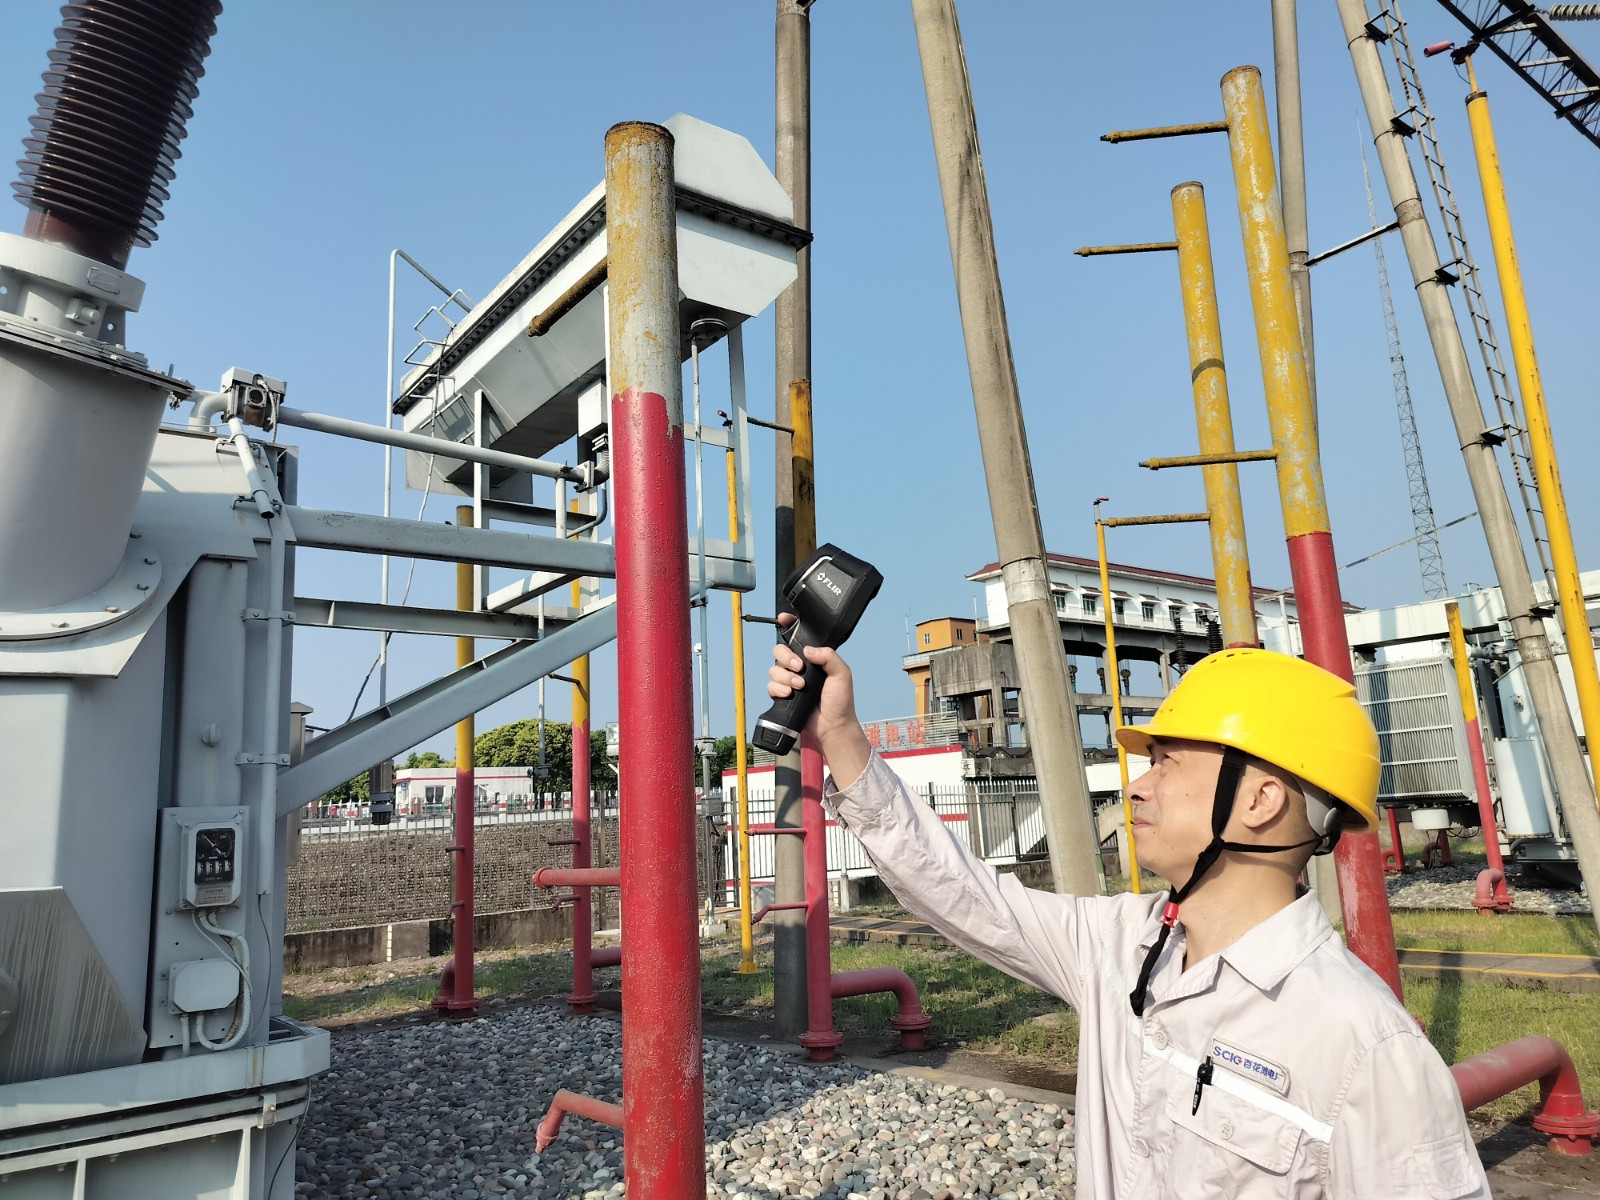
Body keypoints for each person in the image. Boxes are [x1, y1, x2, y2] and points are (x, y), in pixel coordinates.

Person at [768, 636, 1489, 1199]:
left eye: (1168, 762)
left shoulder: (1364, 1047)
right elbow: (960, 892)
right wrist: (843, 737)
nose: (1139, 786)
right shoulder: (1119, 947)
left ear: (1260, 801)